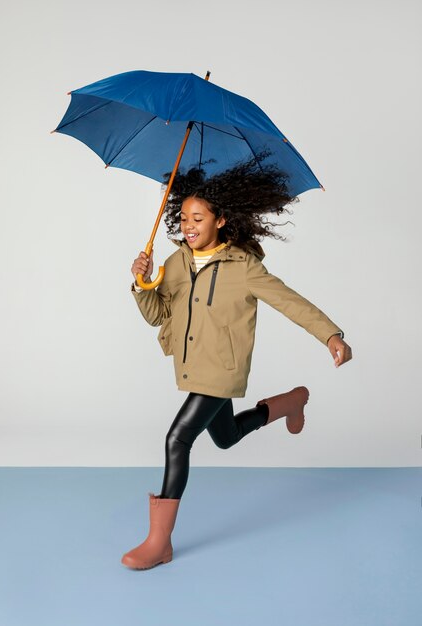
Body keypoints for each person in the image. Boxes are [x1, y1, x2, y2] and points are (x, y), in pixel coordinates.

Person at [121, 152, 353, 570]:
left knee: (177, 439)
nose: (189, 227)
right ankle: (289, 403)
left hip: (223, 369)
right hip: (193, 367)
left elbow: (291, 302)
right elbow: (158, 314)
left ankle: (160, 541)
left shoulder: (243, 267)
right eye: (185, 218)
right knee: (224, 438)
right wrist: (141, 283)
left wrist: (331, 334)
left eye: (198, 219)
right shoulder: (177, 261)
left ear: (221, 220)